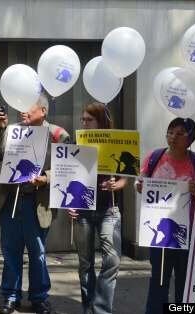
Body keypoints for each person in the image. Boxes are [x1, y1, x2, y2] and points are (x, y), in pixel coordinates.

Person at [0, 95, 70, 314]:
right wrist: (1, 129)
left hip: (38, 203)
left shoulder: (58, 135)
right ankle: (10, 297)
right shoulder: (13, 130)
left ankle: (39, 298)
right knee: (11, 251)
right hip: (10, 202)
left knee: (38, 252)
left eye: (29, 106)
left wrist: (46, 178)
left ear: (43, 111)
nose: (23, 110)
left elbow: (70, 166)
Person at [66, 102, 127, 314]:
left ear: (101, 121)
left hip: (109, 209)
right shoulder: (77, 143)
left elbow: (124, 180)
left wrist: (115, 184)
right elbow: (69, 176)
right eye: (82, 119)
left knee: (111, 260)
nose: (84, 123)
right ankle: (88, 306)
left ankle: (100, 309)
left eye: (88, 120)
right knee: (85, 263)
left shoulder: (116, 142)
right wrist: (70, 205)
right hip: (82, 210)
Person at [136, 118, 195, 314]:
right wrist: (139, 186)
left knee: (184, 282)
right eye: (170, 132)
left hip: (187, 234)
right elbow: (141, 182)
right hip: (161, 234)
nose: (173, 137)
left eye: (180, 134)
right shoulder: (155, 157)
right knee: (159, 281)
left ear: (191, 139)